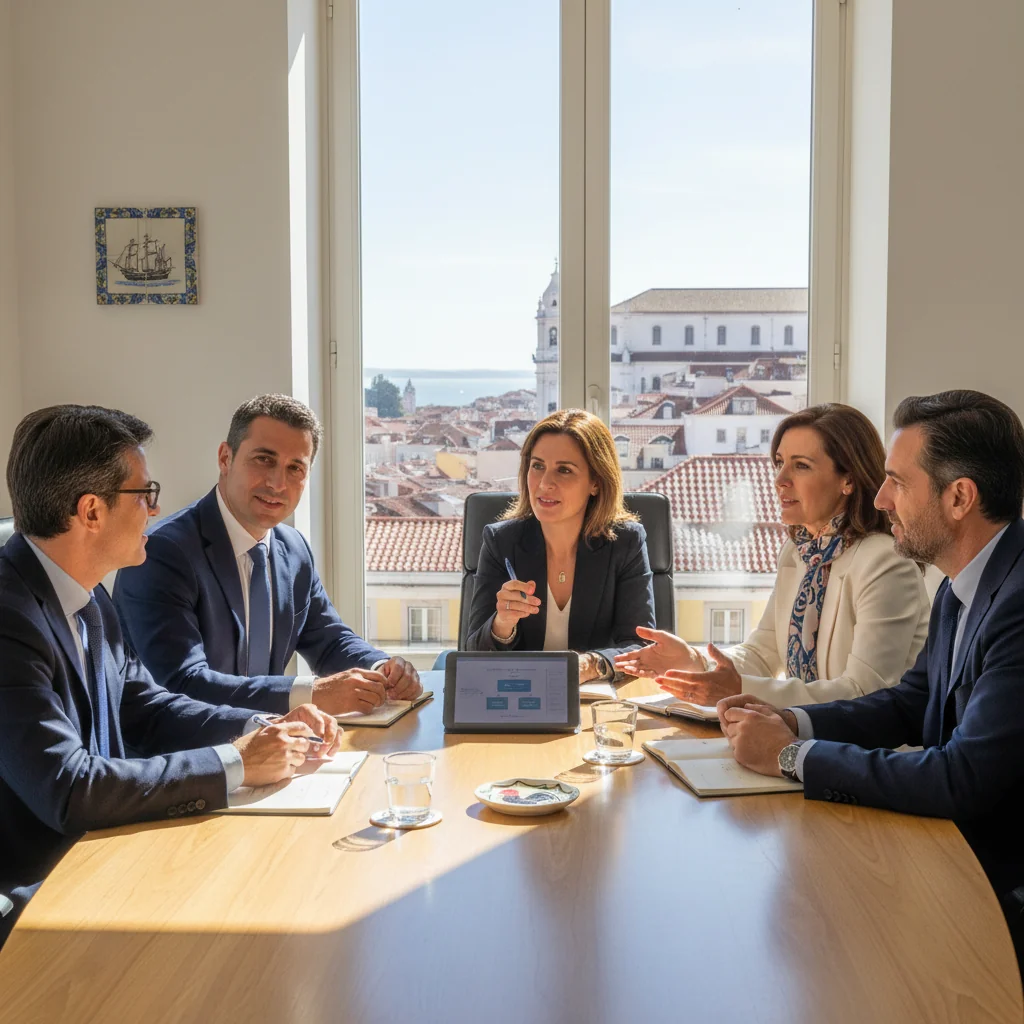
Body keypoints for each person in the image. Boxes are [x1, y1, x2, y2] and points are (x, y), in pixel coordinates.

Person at [0, 405, 339, 945]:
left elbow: (149, 708)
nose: (155, 512)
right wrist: (236, 762)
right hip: (37, 898)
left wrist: (258, 727)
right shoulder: (9, 618)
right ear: (91, 512)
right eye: (144, 494)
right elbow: (68, 788)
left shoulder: (89, 599)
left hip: (102, 860)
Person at [716, 390, 1024, 966]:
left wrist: (791, 756)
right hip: (947, 851)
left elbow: (963, 776)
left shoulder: (1017, 604)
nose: (881, 499)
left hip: (996, 891)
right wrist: (790, 720)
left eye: (897, 482)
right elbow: (912, 701)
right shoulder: (962, 585)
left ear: (959, 497)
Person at [114, 395, 421, 717]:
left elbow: (328, 640)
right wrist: (311, 694)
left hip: (269, 746)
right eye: (264, 460)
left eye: (295, 468)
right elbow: (182, 683)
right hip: (181, 756)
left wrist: (383, 668)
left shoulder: (293, 548)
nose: (277, 483)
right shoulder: (164, 552)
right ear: (225, 458)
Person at [614, 403, 930, 706]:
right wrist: (693, 660)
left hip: (862, 754)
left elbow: (863, 694)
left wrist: (739, 688)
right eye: (780, 462)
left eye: (801, 466)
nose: (780, 480)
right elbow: (761, 655)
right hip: (800, 737)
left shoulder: (886, 563)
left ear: (848, 479)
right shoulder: (799, 552)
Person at [465, 408, 655, 682]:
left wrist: (591, 665)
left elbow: (640, 647)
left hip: (596, 702)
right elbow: (474, 654)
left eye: (564, 470)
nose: (544, 483)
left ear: (596, 483)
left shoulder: (626, 542)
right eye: (537, 466)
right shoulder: (501, 541)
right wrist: (501, 624)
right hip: (520, 701)